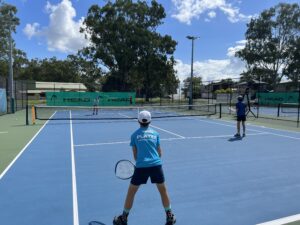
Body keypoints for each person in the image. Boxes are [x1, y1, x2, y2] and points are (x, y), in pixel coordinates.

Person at [113, 110, 176, 225]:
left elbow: (135, 156)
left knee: (131, 192)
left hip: (141, 167)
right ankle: (170, 216)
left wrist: (143, 163)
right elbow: (160, 153)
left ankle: (124, 218)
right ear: (150, 121)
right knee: (163, 190)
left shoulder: (134, 135)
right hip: (156, 165)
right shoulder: (156, 134)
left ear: (138, 121)